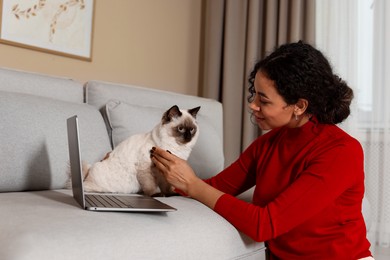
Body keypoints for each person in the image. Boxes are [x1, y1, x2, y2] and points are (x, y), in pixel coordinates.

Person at [150, 41, 373, 259]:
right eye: (254, 94)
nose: (252, 104)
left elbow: (263, 225)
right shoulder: (268, 144)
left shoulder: (340, 151)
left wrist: (192, 183)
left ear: (299, 106)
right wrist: (160, 175)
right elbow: (218, 188)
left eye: (263, 100)